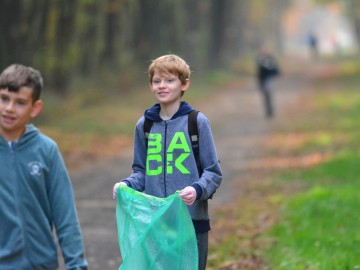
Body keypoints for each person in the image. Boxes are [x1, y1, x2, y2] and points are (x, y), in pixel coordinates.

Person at [113, 54, 223, 270]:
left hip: (191, 223)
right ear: (151, 86)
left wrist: (197, 189)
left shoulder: (196, 122)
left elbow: (213, 172)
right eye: (157, 81)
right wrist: (126, 184)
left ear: (184, 84)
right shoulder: (144, 126)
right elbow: (141, 172)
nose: (162, 86)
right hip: (155, 224)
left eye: (170, 80)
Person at [0, 64, 88, 270]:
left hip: (40, 264)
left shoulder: (46, 150)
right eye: (4, 99)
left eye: (20, 102)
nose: (9, 108)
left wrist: (76, 265)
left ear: (35, 108)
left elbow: (65, 216)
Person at [256, 46, 280, 118]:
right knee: (266, 96)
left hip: (269, 80)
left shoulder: (271, 60)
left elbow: (276, 71)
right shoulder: (261, 60)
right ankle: (268, 111)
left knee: (268, 95)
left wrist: (272, 76)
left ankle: (270, 111)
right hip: (263, 80)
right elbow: (259, 72)